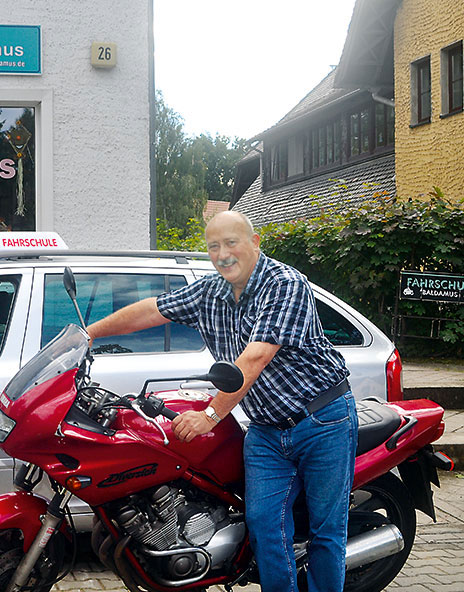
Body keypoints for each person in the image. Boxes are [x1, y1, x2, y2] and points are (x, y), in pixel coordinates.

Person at [86, 211, 358, 592]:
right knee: (264, 525)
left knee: (326, 532)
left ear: (255, 242)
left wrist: (210, 415)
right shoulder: (209, 292)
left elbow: (256, 357)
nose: (223, 254)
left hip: (322, 421)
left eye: (231, 243)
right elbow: (151, 310)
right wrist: (88, 334)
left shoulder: (285, 285)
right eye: (214, 246)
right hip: (266, 430)